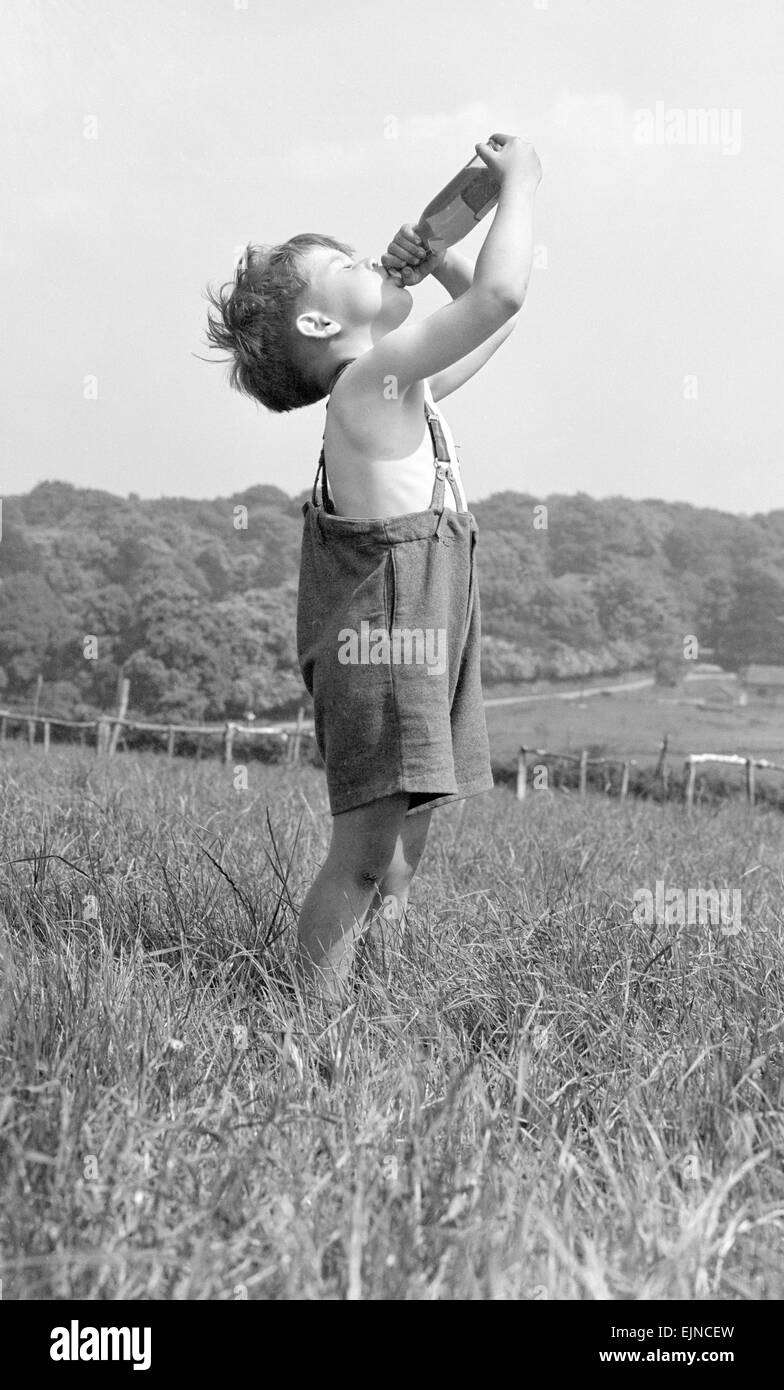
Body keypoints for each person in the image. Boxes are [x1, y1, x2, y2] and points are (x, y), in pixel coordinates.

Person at [205, 134, 542, 1003]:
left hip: (424, 623)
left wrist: (438, 262)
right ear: (321, 324)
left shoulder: (398, 385)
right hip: (385, 638)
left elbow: (489, 328)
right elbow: (505, 293)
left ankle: (374, 993)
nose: (372, 255)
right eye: (349, 262)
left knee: (405, 839)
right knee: (360, 860)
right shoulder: (372, 386)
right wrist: (520, 184)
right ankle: (311, 1027)